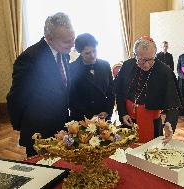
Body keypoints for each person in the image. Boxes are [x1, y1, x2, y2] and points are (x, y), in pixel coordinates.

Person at [7, 12, 75, 157]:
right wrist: (21, 125)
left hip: (60, 126)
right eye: (66, 42)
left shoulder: (64, 53)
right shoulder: (30, 58)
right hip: (38, 130)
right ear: (49, 38)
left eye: (72, 39)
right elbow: (17, 96)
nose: (72, 45)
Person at [116, 36, 181, 143]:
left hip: (152, 122)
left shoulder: (165, 72)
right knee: (128, 150)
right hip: (128, 120)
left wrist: (170, 123)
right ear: (135, 55)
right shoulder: (127, 65)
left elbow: (173, 104)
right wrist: (123, 113)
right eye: (141, 60)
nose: (146, 64)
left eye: (150, 60)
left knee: (149, 153)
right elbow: (119, 92)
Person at [69, 33, 114, 121]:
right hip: (82, 118)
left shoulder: (105, 65)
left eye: (94, 51)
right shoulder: (71, 69)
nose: (92, 55)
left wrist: (107, 111)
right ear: (80, 52)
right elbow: (71, 98)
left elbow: (111, 91)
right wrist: (89, 116)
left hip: (103, 116)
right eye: (87, 53)